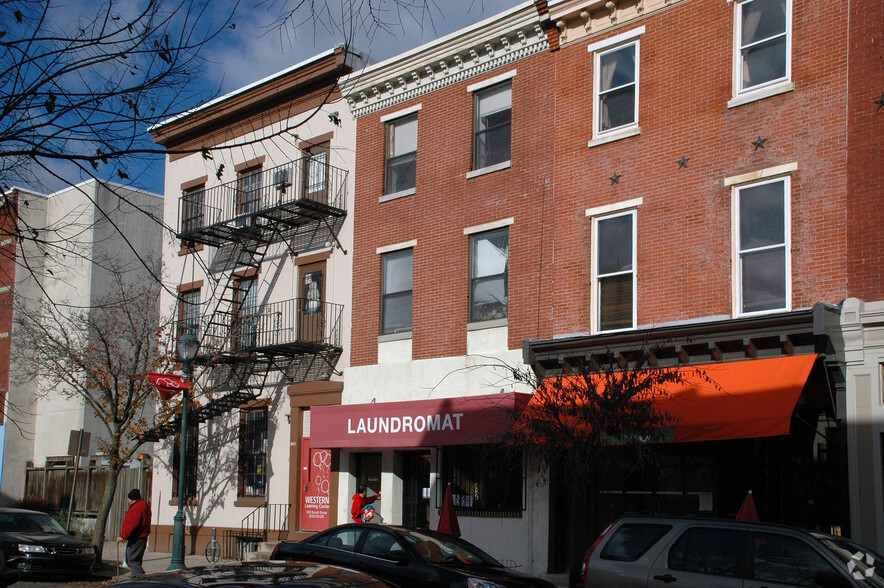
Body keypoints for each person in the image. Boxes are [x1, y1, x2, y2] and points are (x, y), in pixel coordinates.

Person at [117, 488, 151, 577]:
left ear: (131, 499)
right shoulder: (144, 505)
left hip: (137, 537)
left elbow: (132, 524)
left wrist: (123, 536)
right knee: (136, 560)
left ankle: (139, 578)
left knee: (132, 559)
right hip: (141, 536)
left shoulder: (136, 508)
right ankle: (135, 577)